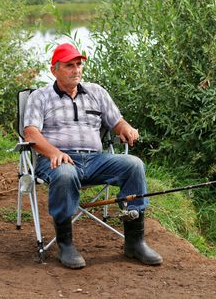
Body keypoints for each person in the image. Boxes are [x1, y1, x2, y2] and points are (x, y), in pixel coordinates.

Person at [24, 43, 163, 269]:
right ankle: (66, 245)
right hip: (57, 160)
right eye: (70, 65)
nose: (76, 70)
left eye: (79, 65)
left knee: (134, 164)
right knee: (66, 173)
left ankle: (135, 242)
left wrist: (125, 128)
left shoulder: (97, 92)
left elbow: (116, 122)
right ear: (54, 70)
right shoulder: (40, 97)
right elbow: (31, 133)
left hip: (96, 160)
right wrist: (55, 153)